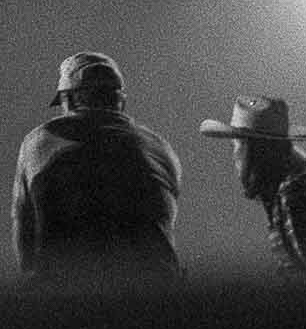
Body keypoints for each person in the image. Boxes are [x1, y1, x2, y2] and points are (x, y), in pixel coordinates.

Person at [12, 52, 181, 289]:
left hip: (68, 299)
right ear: (121, 101)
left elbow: (24, 231)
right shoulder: (160, 148)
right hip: (152, 299)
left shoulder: (40, 142)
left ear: (69, 100)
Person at [200, 95, 306, 277]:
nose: (235, 155)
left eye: (238, 145)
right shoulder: (294, 188)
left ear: (254, 152)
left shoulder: (296, 194)